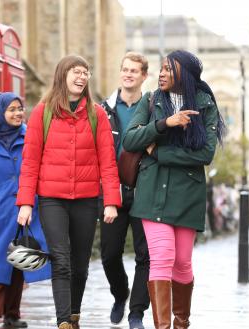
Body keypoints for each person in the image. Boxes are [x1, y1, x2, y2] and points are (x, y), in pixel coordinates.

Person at [16, 55, 121, 329]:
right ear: (63, 75)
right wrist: (26, 203)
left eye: (86, 72)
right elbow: (30, 160)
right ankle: (63, 321)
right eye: (76, 72)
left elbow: (108, 161)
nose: (82, 77)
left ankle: (74, 314)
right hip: (52, 199)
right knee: (60, 259)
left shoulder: (96, 114)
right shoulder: (43, 111)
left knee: (80, 264)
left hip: (86, 200)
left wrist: (111, 201)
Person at [122, 49, 225, 328]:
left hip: (187, 195)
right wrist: (164, 123)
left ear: (185, 74)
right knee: (162, 258)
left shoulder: (205, 105)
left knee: (182, 264)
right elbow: (131, 140)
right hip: (152, 192)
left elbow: (204, 154)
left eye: (169, 69)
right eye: (162, 68)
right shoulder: (151, 100)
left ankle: (181, 323)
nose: (162, 73)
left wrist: (158, 153)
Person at [0, 92, 51, 329]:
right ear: (0, 113)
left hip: (24, 209)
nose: (18, 113)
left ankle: (11, 314)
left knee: (19, 262)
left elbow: (41, 169)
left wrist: (33, 199)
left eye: (20, 108)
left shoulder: (31, 137)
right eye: (12, 109)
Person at [100, 52, 150, 329]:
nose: (128, 74)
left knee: (145, 256)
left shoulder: (153, 107)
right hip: (112, 192)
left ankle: (136, 314)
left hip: (144, 190)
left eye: (134, 71)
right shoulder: (104, 109)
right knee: (109, 254)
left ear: (144, 76)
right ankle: (120, 294)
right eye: (125, 69)